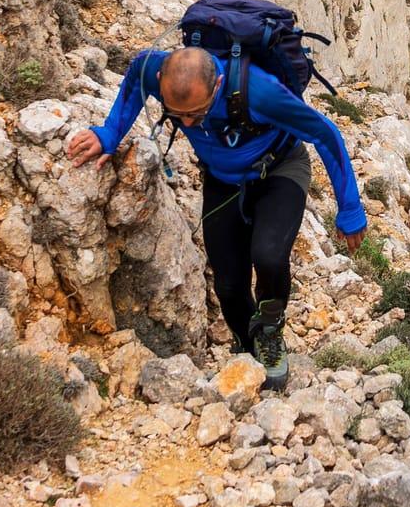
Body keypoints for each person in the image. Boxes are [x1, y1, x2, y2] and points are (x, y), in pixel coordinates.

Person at [64, 46, 365, 391]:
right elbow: (134, 75)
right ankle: (246, 348)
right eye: (178, 115)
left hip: (279, 170)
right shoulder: (154, 69)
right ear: (161, 81)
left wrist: (350, 209)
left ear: (219, 83)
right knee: (227, 284)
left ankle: (269, 332)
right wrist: (108, 135)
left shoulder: (260, 92)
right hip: (223, 179)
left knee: (268, 255)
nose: (189, 122)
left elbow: (325, 134)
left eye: (197, 112)